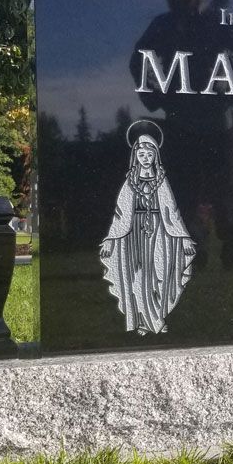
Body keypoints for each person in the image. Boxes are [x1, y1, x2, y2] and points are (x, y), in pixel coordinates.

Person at [99, 120, 196, 335]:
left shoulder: (161, 180)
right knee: (137, 279)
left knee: (158, 278)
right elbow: (121, 213)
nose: (145, 158)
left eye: (149, 154)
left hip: (160, 235)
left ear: (155, 156)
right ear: (136, 156)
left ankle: (154, 316)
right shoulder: (130, 181)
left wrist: (184, 237)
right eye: (141, 154)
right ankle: (145, 322)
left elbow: (171, 211)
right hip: (134, 236)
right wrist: (110, 239)